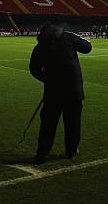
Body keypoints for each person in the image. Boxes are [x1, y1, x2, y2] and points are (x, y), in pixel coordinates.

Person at [29, 23, 92, 164]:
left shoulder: (40, 47)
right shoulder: (68, 38)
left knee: (48, 124)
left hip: (52, 92)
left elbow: (34, 69)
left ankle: (42, 153)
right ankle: (71, 150)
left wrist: (47, 80)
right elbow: (87, 48)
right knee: (73, 122)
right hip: (73, 90)